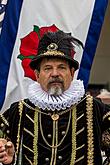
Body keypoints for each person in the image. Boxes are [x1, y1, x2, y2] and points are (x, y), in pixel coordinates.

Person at [0, 25, 110, 165]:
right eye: (48, 68)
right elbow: (4, 147)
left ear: (71, 73)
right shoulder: (19, 111)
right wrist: (8, 157)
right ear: (37, 75)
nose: (55, 73)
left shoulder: (95, 109)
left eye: (61, 67)